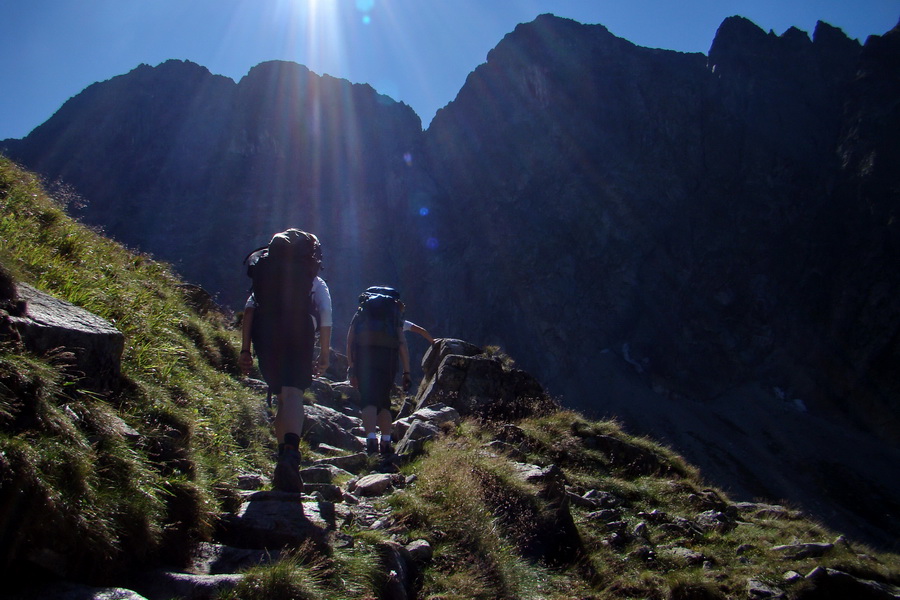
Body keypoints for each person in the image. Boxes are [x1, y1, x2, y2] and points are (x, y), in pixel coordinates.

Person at [239, 229, 332, 492]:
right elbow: (325, 319)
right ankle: (290, 453)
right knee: (292, 394)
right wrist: (324, 356)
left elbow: (249, 309)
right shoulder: (313, 279)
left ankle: (282, 455)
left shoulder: (264, 270)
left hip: (264, 334)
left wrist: (245, 350)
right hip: (298, 332)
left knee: (280, 394)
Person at [346, 287, 411, 455]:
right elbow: (402, 343)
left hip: (364, 357)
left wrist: (352, 367)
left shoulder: (362, 312)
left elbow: (350, 340)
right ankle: (387, 443)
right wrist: (407, 372)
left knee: (368, 400)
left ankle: (371, 441)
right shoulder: (393, 316)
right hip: (387, 359)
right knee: (384, 401)